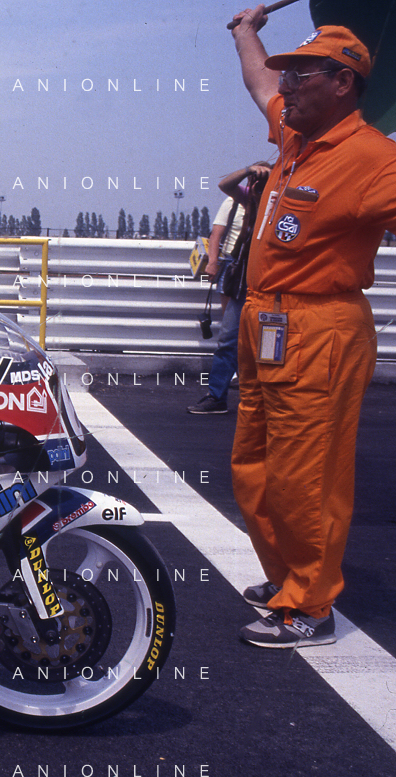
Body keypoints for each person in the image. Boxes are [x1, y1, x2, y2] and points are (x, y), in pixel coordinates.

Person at [229, 9, 396, 647]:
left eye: (301, 75)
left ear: (343, 83)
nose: (287, 86)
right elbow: (258, 84)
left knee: (307, 473)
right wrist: (245, 30)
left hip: (320, 326)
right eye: (288, 74)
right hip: (266, 321)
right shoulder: (295, 137)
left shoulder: (374, 159)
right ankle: (287, 577)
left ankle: (311, 607)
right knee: (255, 464)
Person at [187, 162, 271, 415]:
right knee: (229, 337)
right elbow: (225, 185)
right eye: (257, 182)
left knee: (269, 342)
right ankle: (217, 396)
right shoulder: (244, 199)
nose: (260, 186)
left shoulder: (281, 202)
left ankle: (268, 399)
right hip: (240, 274)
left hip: (271, 279)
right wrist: (249, 171)